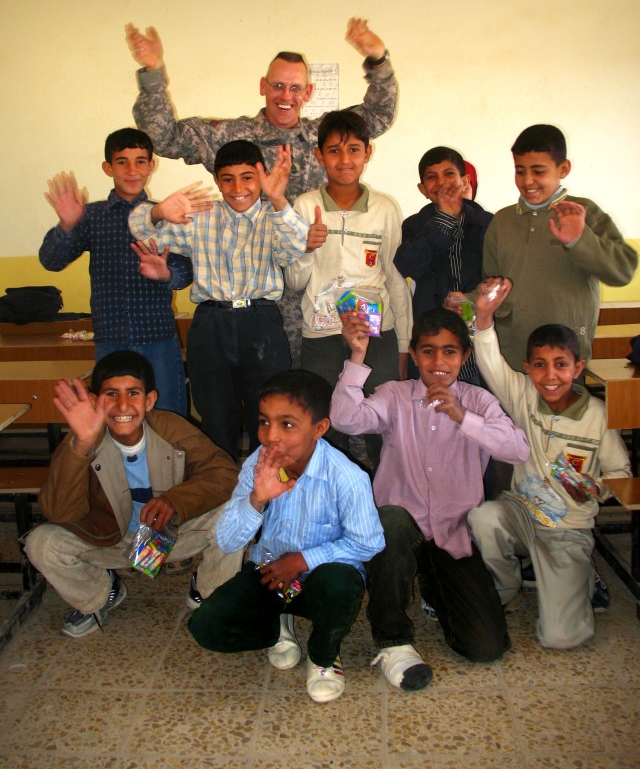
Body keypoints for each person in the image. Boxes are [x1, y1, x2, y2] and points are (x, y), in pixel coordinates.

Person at [125, 18, 398, 365]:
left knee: (318, 390)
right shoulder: (231, 136)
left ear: (308, 93)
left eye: (296, 88)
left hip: (317, 287)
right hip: (253, 297)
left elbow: (378, 116)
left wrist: (377, 59)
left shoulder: (324, 136)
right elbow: (163, 137)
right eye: (278, 86)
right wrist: (152, 73)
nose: (287, 96)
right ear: (263, 86)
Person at [331, 307, 530, 691]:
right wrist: (356, 356)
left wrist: (463, 417)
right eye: (428, 351)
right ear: (414, 353)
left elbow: (517, 450)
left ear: (465, 356)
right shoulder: (395, 395)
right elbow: (345, 419)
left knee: (486, 647)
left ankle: (434, 587)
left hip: (453, 533)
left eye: (450, 352)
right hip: (401, 529)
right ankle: (392, 640)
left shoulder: (479, 402)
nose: (439, 362)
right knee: (388, 520)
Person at [188, 370, 385, 704]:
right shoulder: (258, 464)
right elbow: (227, 540)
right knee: (207, 627)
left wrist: (301, 560)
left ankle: (323, 656)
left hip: (322, 578)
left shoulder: (347, 477)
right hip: (270, 572)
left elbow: (369, 542)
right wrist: (257, 499)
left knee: (341, 584)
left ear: (320, 428)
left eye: (287, 424)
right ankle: (278, 623)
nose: (271, 437)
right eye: (264, 422)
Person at [24, 351, 240, 638]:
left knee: (239, 512)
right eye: (111, 394)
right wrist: (81, 446)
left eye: (133, 393)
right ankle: (101, 595)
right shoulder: (85, 436)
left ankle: (209, 591)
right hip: (112, 541)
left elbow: (224, 474)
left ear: (149, 400)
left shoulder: (171, 427)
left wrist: (175, 500)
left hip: (168, 536)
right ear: (94, 400)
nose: (122, 405)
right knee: (41, 543)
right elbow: (60, 513)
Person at [468, 278, 631, 649]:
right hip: (522, 512)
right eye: (539, 365)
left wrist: (596, 489)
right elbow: (489, 360)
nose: (550, 376)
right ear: (528, 367)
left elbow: (621, 473)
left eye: (561, 365)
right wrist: (484, 317)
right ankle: (508, 590)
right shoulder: (523, 393)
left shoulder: (599, 416)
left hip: (568, 529)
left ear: (578, 367)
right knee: (483, 517)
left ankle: (580, 576)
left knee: (560, 638)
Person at [129, 140, 308, 462]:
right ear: (217, 181)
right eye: (228, 179)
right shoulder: (202, 216)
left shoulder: (275, 216)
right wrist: (157, 211)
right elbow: (143, 232)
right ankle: (221, 494)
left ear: (262, 176)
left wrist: (279, 198)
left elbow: (297, 247)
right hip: (210, 324)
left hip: (261, 323)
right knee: (215, 418)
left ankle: (263, 496)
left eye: (247, 177)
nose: (238, 188)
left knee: (268, 417)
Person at [284, 110, 411, 465]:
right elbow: (294, 281)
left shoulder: (385, 209)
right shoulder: (306, 205)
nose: (345, 160)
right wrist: (306, 248)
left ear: (367, 154)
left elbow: (396, 278)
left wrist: (403, 343)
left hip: (376, 334)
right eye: (335, 151)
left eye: (354, 150)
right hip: (321, 333)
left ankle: (387, 505)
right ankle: (327, 498)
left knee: (382, 422)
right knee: (323, 422)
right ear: (319, 155)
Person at [38, 128, 195, 415]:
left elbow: (186, 273)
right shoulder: (93, 215)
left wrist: (166, 275)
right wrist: (68, 225)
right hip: (110, 338)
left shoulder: (164, 214)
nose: (132, 170)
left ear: (151, 166)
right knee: (117, 419)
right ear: (107, 168)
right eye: (122, 162)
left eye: (140, 161)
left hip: (158, 337)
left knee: (169, 418)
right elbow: (51, 261)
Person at [480, 124, 637, 370]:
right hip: (513, 357)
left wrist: (579, 239)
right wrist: (467, 301)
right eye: (520, 171)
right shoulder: (502, 221)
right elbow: (491, 285)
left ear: (563, 169)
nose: (527, 181)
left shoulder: (583, 213)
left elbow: (623, 271)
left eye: (538, 171)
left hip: (566, 359)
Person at [394, 146, 492, 382]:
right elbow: (407, 265)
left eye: (449, 174)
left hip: (480, 332)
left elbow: (499, 275)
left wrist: (472, 298)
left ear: (465, 180)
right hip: (433, 333)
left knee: (481, 399)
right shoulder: (414, 226)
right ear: (423, 190)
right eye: (431, 177)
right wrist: (445, 220)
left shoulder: (489, 224)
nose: (442, 182)